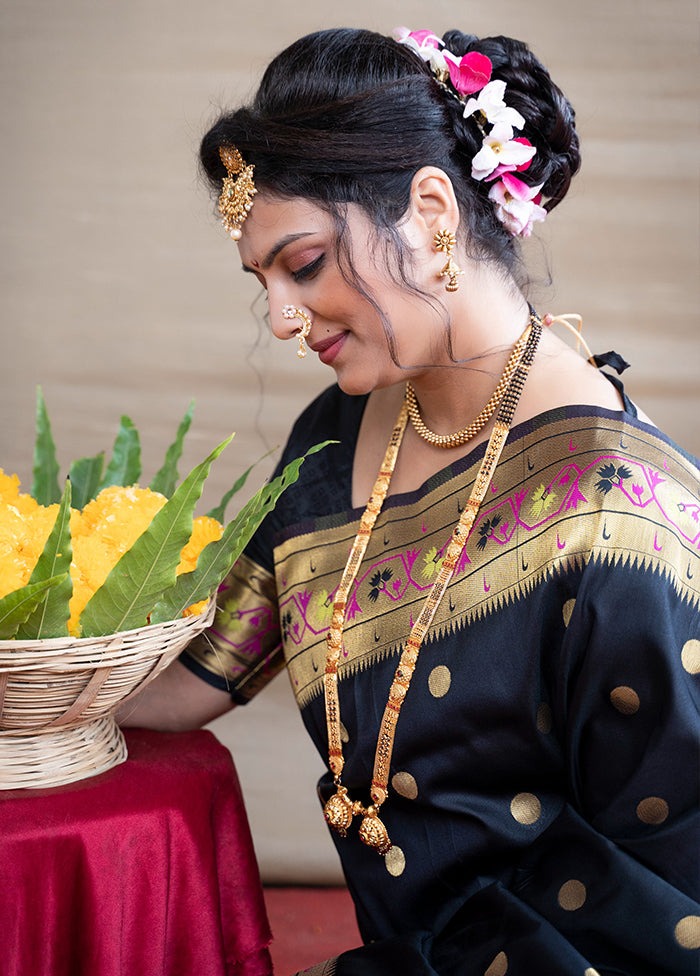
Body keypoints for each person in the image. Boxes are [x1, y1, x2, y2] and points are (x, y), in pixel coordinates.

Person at [120, 27, 700, 975]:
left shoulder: (616, 513)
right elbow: (197, 669)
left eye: (301, 264)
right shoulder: (342, 431)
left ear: (431, 209)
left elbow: (663, 894)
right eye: (261, 281)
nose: (280, 317)